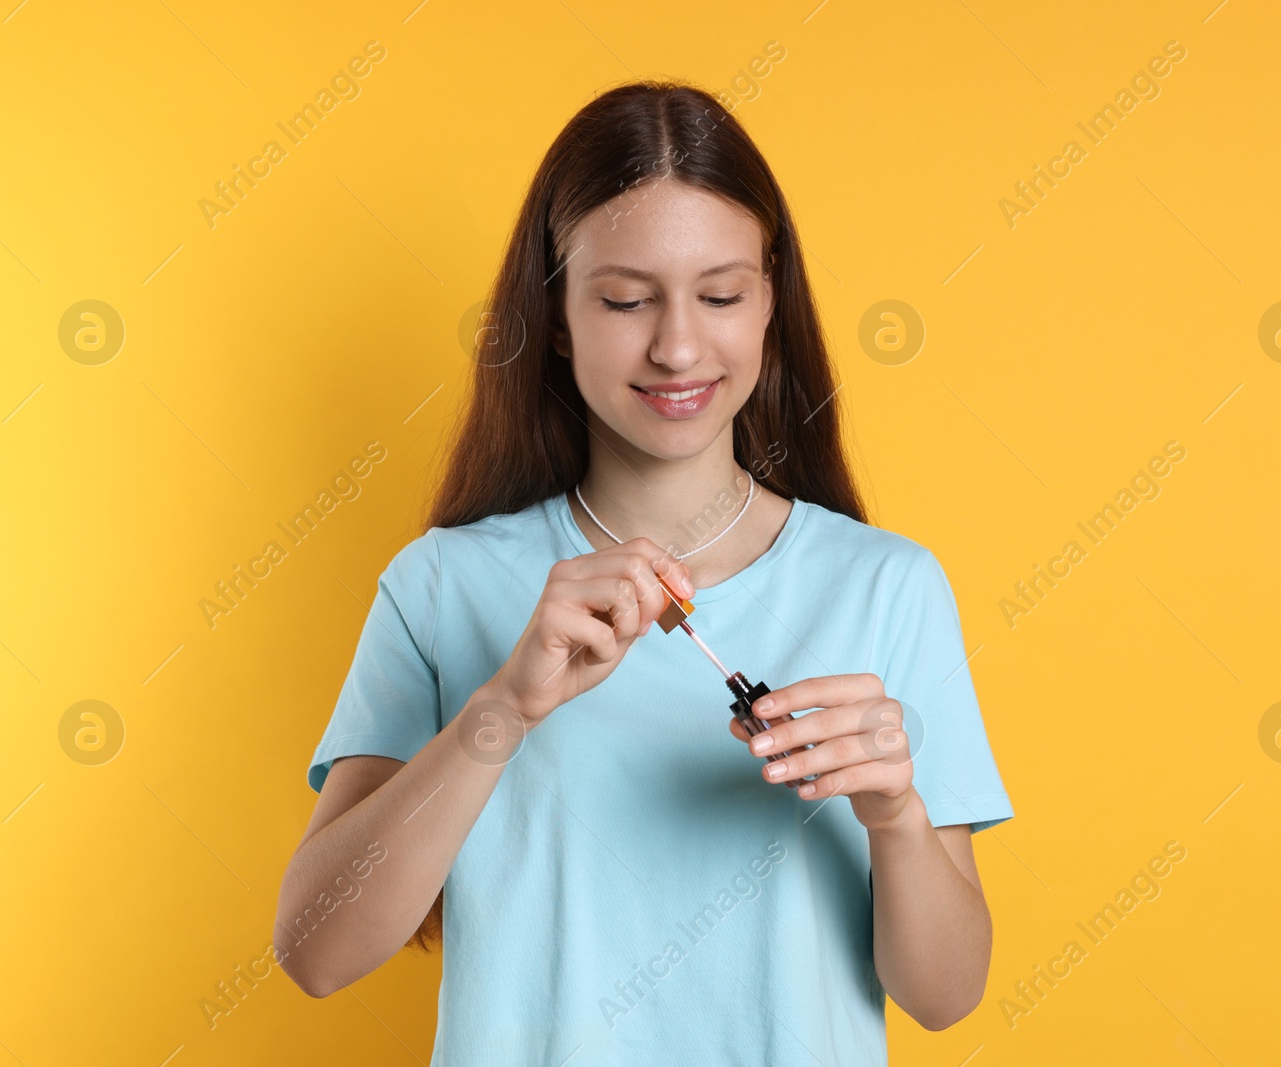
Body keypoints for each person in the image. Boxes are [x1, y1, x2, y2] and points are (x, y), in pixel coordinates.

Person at [274, 79, 1013, 1066]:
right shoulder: (440, 586)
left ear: (769, 304)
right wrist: (504, 707)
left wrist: (896, 815)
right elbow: (316, 950)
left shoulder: (886, 586)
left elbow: (946, 994)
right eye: (625, 299)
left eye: (719, 295)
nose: (676, 345)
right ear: (559, 312)